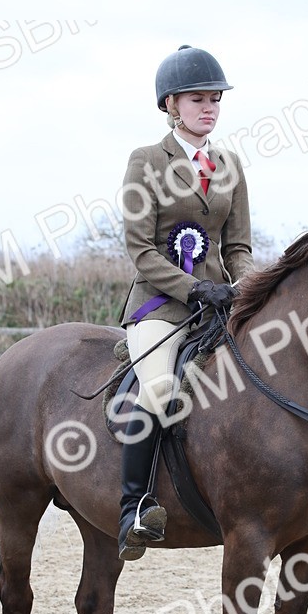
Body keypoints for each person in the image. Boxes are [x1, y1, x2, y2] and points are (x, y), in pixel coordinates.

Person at [116, 45, 254, 561]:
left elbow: (238, 247)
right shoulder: (147, 161)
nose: (210, 108)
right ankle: (134, 510)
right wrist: (194, 288)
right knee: (158, 390)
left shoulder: (229, 164)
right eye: (199, 99)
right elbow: (140, 249)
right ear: (172, 104)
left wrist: (245, 290)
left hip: (221, 304)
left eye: (215, 99)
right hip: (161, 307)